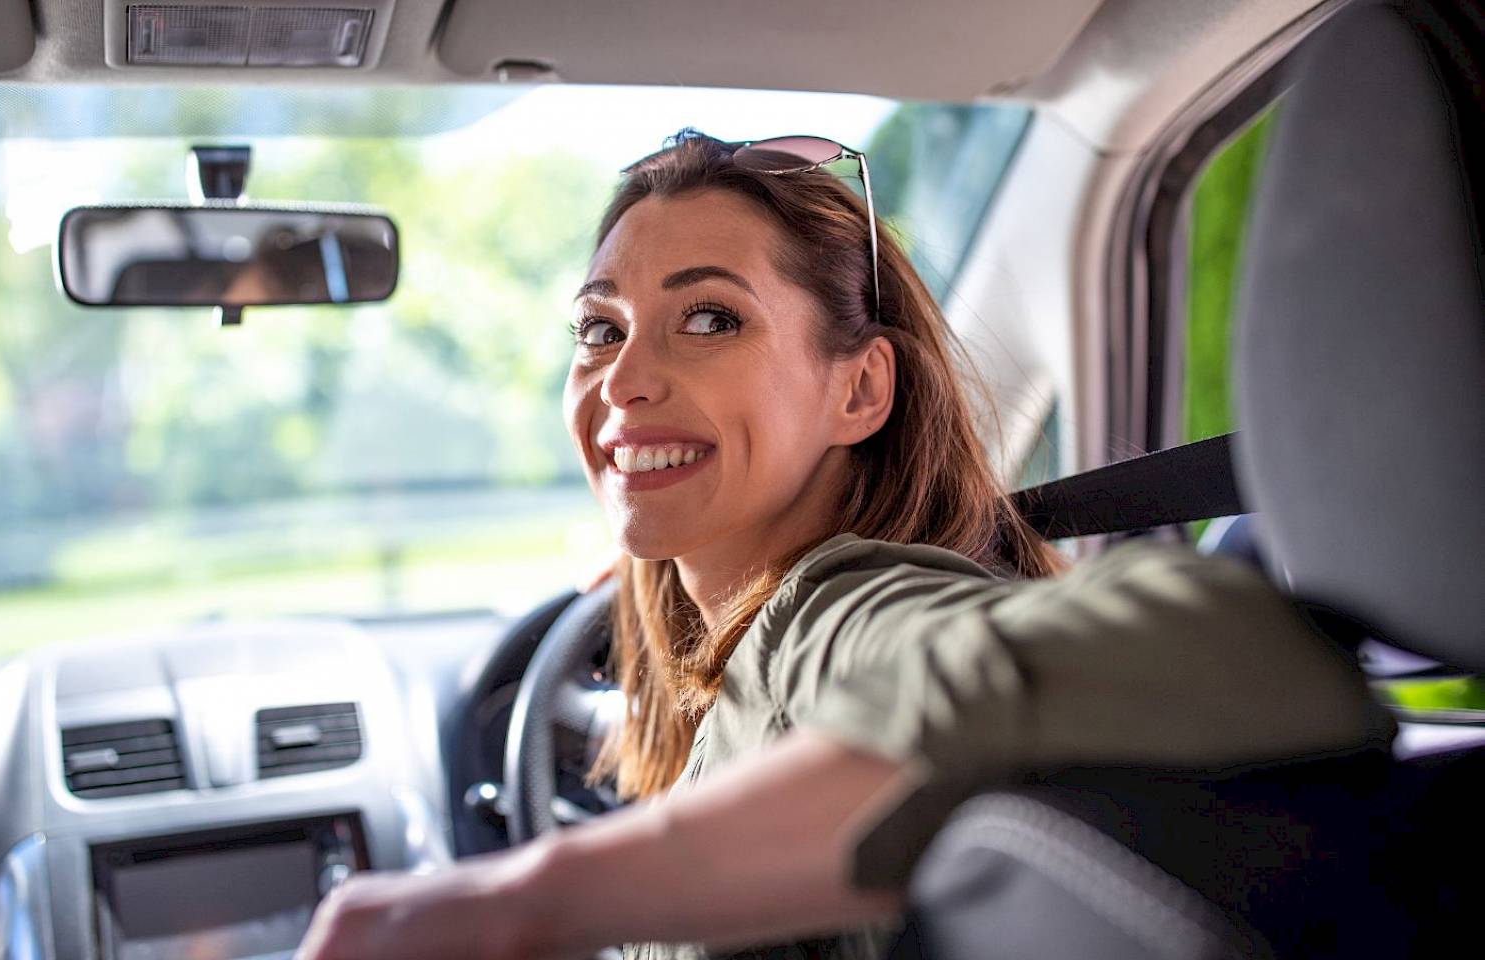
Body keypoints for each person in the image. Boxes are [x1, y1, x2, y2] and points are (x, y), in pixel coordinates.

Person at [296, 130, 1392, 960]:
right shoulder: (741, 617)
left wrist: (522, 899)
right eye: (598, 328)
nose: (623, 380)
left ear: (859, 388)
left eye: (710, 318)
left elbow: (1204, 642)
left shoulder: (830, 609)